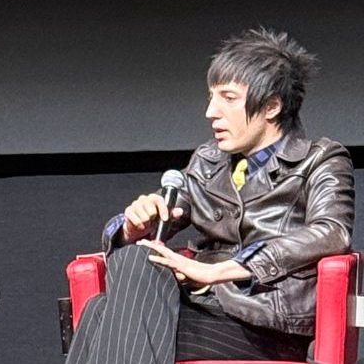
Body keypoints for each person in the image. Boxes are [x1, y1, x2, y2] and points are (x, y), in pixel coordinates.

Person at [66, 28, 354, 364]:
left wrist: (220, 271)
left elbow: (332, 231)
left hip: (267, 325)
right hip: (206, 310)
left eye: (228, 98)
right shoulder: (208, 162)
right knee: (132, 262)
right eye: (211, 97)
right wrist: (133, 226)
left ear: (272, 106)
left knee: (102, 315)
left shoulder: (320, 158)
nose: (211, 112)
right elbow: (168, 211)